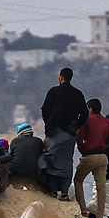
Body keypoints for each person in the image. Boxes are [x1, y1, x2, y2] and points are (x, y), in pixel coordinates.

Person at [39, 67, 88, 199]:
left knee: (52, 160)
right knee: (66, 162)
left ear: (61, 77)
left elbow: (45, 109)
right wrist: (76, 125)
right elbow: (84, 114)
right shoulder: (77, 94)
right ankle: (64, 193)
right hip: (69, 134)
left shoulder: (53, 91)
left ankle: (53, 190)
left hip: (53, 132)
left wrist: (48, 124)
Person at [74, 98, 109, 218]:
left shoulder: (86, 121)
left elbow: (79, 138)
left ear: (90, 109)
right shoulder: (108, 122)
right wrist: (106, 149)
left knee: (78, 180)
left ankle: (83, 209)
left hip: (89, 156)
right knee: (101, 189)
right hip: (103, 157)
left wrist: (83, 149)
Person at [8, 123, 45, 190]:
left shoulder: (15, 141)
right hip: (35, 172)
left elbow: (9, 155)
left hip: (16, 172)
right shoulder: (38, 141)